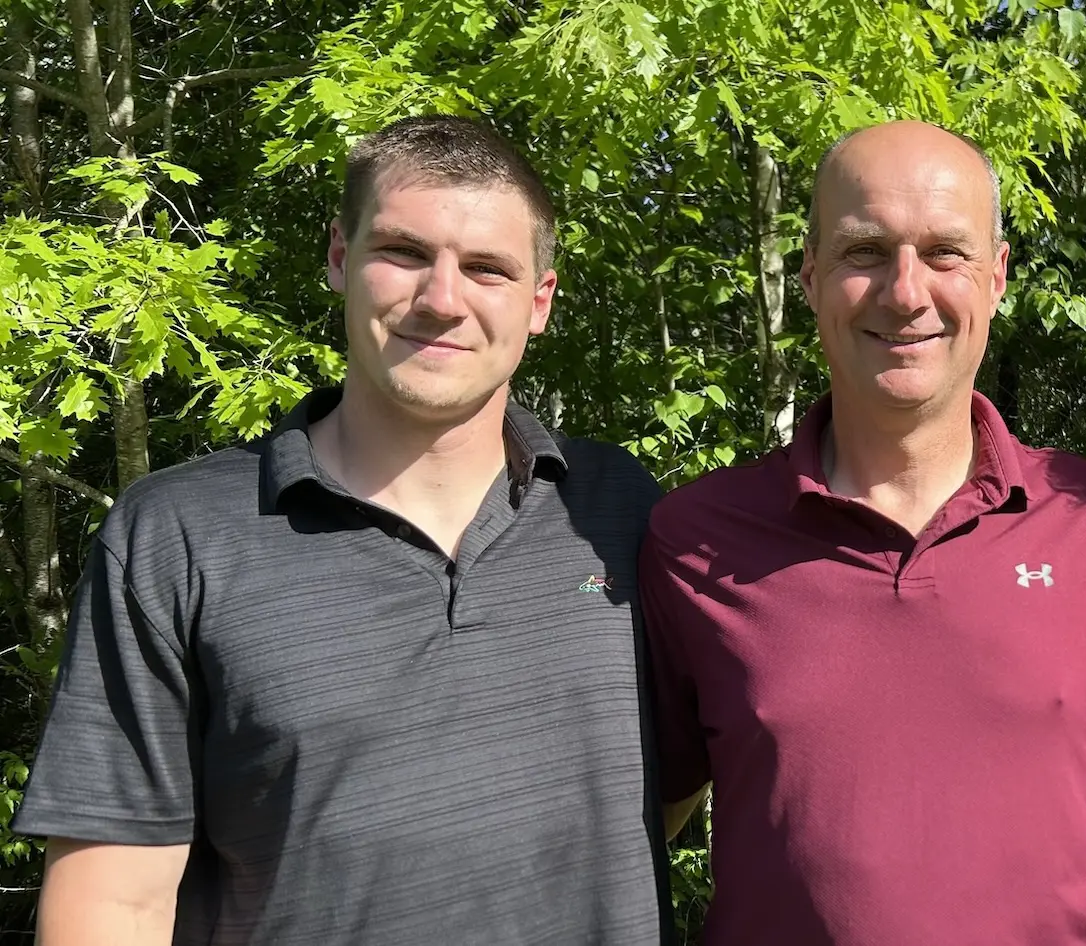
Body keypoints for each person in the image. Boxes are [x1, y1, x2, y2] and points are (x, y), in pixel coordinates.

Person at [15, 115, 670, 945]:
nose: (441, 299)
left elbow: (673, 789)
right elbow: (113, 903)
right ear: (338, 258)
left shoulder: (623, 513)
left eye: (486, 269)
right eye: (403, 253)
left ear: (538, 301)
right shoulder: (180, 537)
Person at [639, 120, 1086, 945]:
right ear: (809, 277)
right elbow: (639, 819)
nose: (906, 291)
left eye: (944, 253)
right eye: (864, 252)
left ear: (996, 277)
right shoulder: (694, 541)